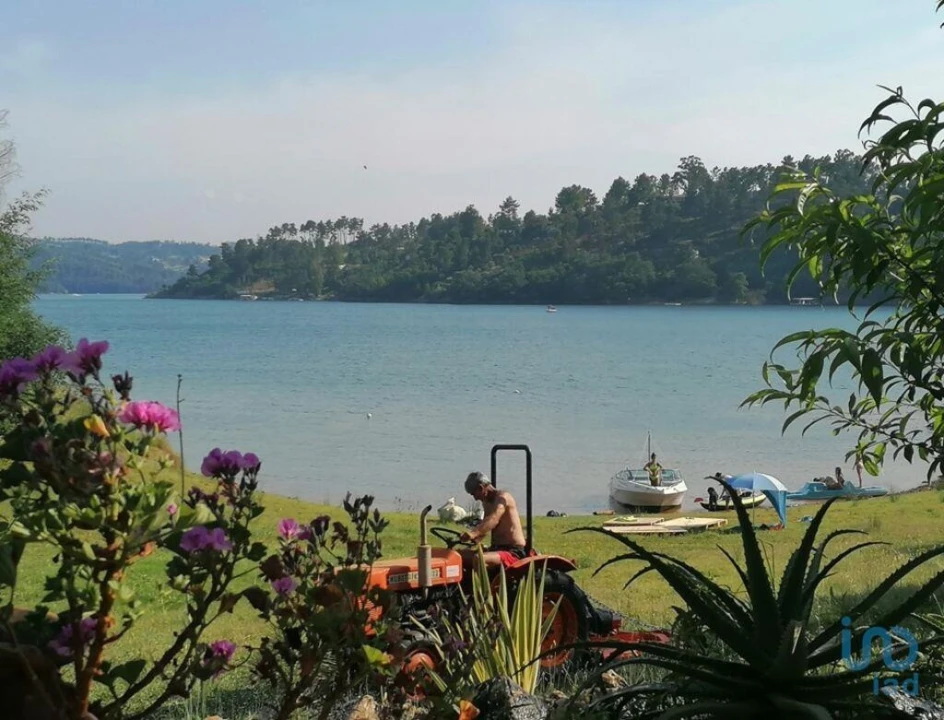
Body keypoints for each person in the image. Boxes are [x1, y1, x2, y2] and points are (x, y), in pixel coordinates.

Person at [458, 471, 528, 570]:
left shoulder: (503, 498)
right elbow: (486, 525)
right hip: (496, 548)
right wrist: (474, 538)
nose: (475, 498)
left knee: (479, 559)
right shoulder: (486, 503)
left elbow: (494, 519)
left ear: (481, 488)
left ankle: (479, 580)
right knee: (457, 555)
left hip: (512, 551)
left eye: (474, 494)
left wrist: (474, 533)